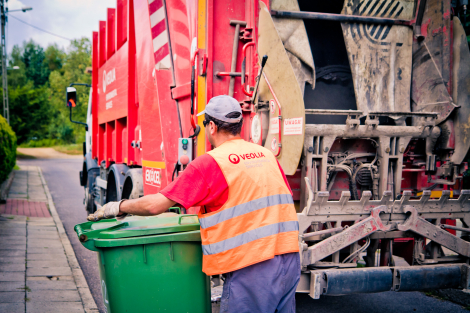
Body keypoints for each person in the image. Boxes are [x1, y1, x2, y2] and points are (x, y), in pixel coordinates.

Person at [88, 95, 300, 313]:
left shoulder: (211, 163)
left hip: (253, 266)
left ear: (211, 127)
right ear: (240, 125)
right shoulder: (267, 155)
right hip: (289, 260)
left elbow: (155, 205)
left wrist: (118, 206)